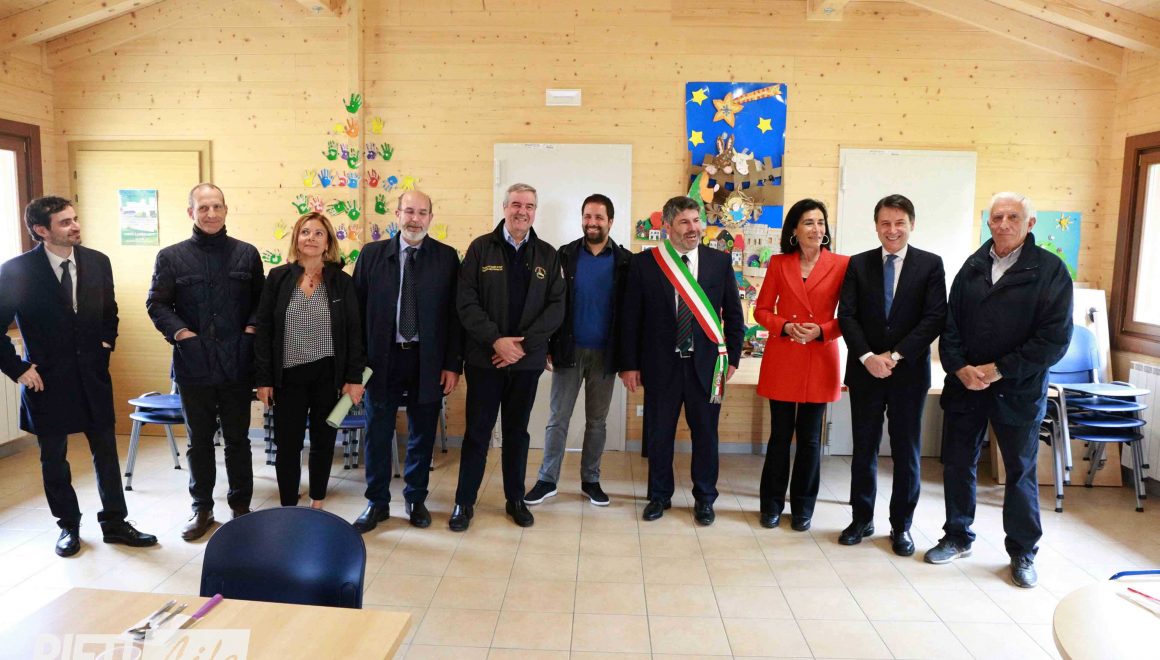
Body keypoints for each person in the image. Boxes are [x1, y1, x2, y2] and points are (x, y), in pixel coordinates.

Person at [925, 192, 1072, 589]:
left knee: (1020, 472)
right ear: (988, 222)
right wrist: (959, 367)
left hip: (1018, 389)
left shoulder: (1050, 271)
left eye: (1013, 217)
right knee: (958, 463)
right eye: (997, 217)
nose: (1003, 224)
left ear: (1030, 223)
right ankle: (957, 536)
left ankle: (1023, 552)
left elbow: (1054, 339)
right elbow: (949, 325)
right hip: (966, 385)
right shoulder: (973, 266)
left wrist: (999, 370)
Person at [0, 196, 157, 557]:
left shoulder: (98, 261)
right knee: (53, 459)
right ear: (41, 231)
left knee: (106, 453)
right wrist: (18, 369)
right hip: (46, 380)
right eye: (65, 222)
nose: (75, 226)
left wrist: (105, 344)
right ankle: (68, 526)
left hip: (92, 376)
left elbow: (110, 311)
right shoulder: (17, 271)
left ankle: (115, 523)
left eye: (75, 218)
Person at [147, 183, 264, 541]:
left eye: (217, 207)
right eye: (203, 208)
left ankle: (240, 507)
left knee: (238, 440)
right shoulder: (171, 257)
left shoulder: (246, 254)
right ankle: (202, 509)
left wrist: (249, 331)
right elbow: (157, 304)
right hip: (193, 364)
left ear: (226, 210)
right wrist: (183, 334)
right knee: (199, 441)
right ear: (191, 213)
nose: (211, 214)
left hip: (236, 364)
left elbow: (261, 303)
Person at [619, 195, 744, 526]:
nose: (693, 228)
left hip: (708, 366)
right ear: (668, 226)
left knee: (706, 436)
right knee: (659, 435)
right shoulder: (645, 264)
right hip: (661, 366)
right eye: (685, 222)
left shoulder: (719, 262)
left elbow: (734, 314)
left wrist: (732, 358)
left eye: (697, 221)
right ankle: (659, 496)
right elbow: (630, 318)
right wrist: (629, 364)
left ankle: (705, 498)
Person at [836, 194, 946, 555]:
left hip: (908, 374)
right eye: (885, 223)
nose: (892, 230)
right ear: (876, 226)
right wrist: (868, 356)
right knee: (863, 449)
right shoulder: (858, 264)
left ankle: (902, 527)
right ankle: (861, 519)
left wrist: (895, 356)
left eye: (899, 223)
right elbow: (847, 315)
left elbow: (934, 318)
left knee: (906, 452)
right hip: (865, 372)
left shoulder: (930, 265)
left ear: (912, 224)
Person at [452, 183, 565, 531]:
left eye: (529, 206)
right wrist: (496, 341)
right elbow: (466, 302)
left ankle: (515, 499)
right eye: (516, 204)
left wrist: (522, 346)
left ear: (535, 212)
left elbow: (557, 307)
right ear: (504, 208)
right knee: (477, 433)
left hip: (526, 363)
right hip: (484, 360)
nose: (522, 211)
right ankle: (463, 502)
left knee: (517, 433)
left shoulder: (548, 254)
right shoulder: (480, 249)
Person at [351, 190, 462, 531]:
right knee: (378, 432)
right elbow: (355, 314)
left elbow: (455, 317)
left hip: (427, 360)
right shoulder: (371, 255)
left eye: (422, 213)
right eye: (409, 211)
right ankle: (377, 502)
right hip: (380, 360)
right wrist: (356, 367)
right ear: (397, 214)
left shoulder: (446, 258)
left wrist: (452, 364)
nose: (415, 219)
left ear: (431, 217)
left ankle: (415, 498)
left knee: (422, 433)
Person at [524, 193, 632, 507]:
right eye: (587, 216)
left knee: (597, 422)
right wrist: (547, 344)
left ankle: (591, 480)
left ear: (610, 221)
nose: (592, 222)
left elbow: (630, 312)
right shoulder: (565, 255)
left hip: (605, 355)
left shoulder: (626, 261)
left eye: (599, 217)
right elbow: (550, 303)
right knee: (558, 419)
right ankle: (547, 480)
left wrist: (629, 358)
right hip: (567, 350)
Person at [254, 212, 366, 510]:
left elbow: (354, 332)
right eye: (305, 232)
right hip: (287, 376)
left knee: (323, 441)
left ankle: (317, 503)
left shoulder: (341, 281)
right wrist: (264, 379)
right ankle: (289, 507)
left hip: (327, 375)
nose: (311, 238)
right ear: (296, 238)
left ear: (328, 242)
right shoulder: (278, 278)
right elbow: (264, 331)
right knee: (287, 445)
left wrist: (354, 378)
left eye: (319, 233)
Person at [754, 198, 849, 532]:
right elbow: (761, 310)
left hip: (820, 356)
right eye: (808, 222)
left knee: (810, 439)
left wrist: (823, 330)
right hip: (784, 354)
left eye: (820, 222)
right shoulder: (779, 263)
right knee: (780, 436)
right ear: (794, 229)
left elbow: (850, 316)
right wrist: (784, 326)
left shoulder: (842, 264)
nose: (816, 229)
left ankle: (803, 508)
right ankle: (771, 506)